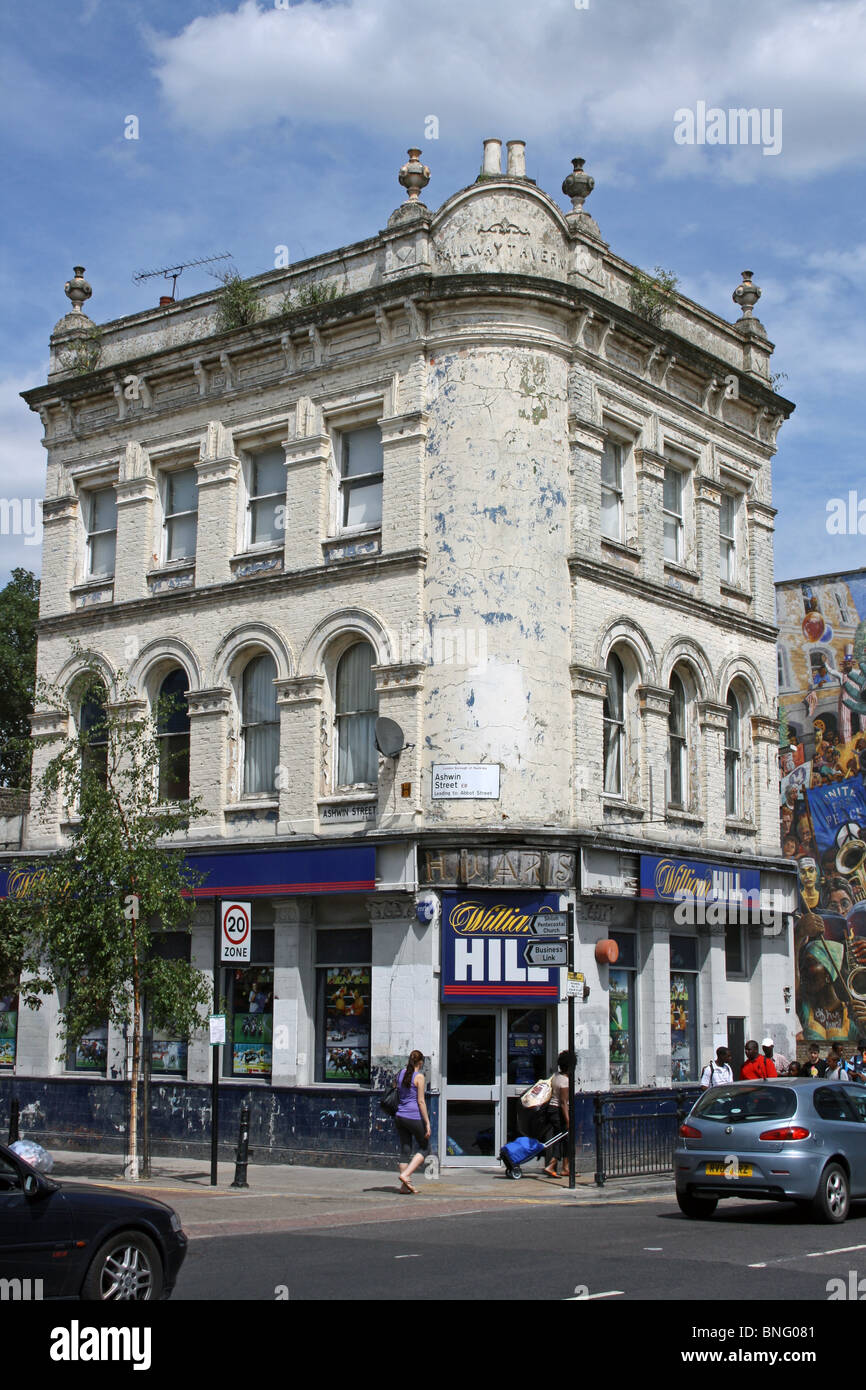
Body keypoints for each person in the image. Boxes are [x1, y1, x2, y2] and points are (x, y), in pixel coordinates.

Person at [393, 1048, 430, 1194]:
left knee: (405, 1149)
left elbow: (397, 1090)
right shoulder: (419, 1077)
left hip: (399, 1116)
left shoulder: (401, 1073)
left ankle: (404, 1187)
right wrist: (427, 1122)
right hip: (413, 1117)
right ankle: (406, 1175)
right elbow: (421, 1101)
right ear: (420, 1062)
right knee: (426, 1147)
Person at [542, 1051, 573, 1179]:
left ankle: (566, 1168)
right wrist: (568, 1120)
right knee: (561, 1138)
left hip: (552, 1109)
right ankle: (551, 1165)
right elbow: (564, 1103)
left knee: (563, 1138)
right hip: (559, 1111)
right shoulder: (565, 1081)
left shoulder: (555, 1076)